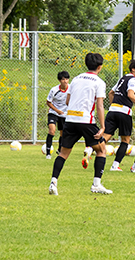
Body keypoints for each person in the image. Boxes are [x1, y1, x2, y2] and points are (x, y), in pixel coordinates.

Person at [48, 53, 112, 195]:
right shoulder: (99, 82)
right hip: (86, 122)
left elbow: (67, 101)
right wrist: (102, 127)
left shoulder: (76, 79)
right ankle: (96, 184)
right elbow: (100, 105)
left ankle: (53, 182)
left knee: (63, 153)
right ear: (100, 67)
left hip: (70, 120)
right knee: (101, 150)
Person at [103, 59, 135, 171]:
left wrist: (114, 105)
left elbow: (111, 93)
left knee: (106, 136)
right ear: (133, 69)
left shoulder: (122, 79)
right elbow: (130, 95)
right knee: (125, 140)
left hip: (112, 111)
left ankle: (89, 149)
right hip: (124, 112)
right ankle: (115, 166)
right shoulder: (133, 80)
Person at [44, 71, 70, 159]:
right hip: (54, 113)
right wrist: (57, 110)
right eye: (63, 79)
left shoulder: (71, 89)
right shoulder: (54, 90)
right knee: (52, 130)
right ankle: (48, 153)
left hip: (65, 114)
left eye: (67, 79)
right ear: (59, 80)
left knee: (63, 134)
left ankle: (59, 150)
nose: (65, 81)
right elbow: (48, 102)